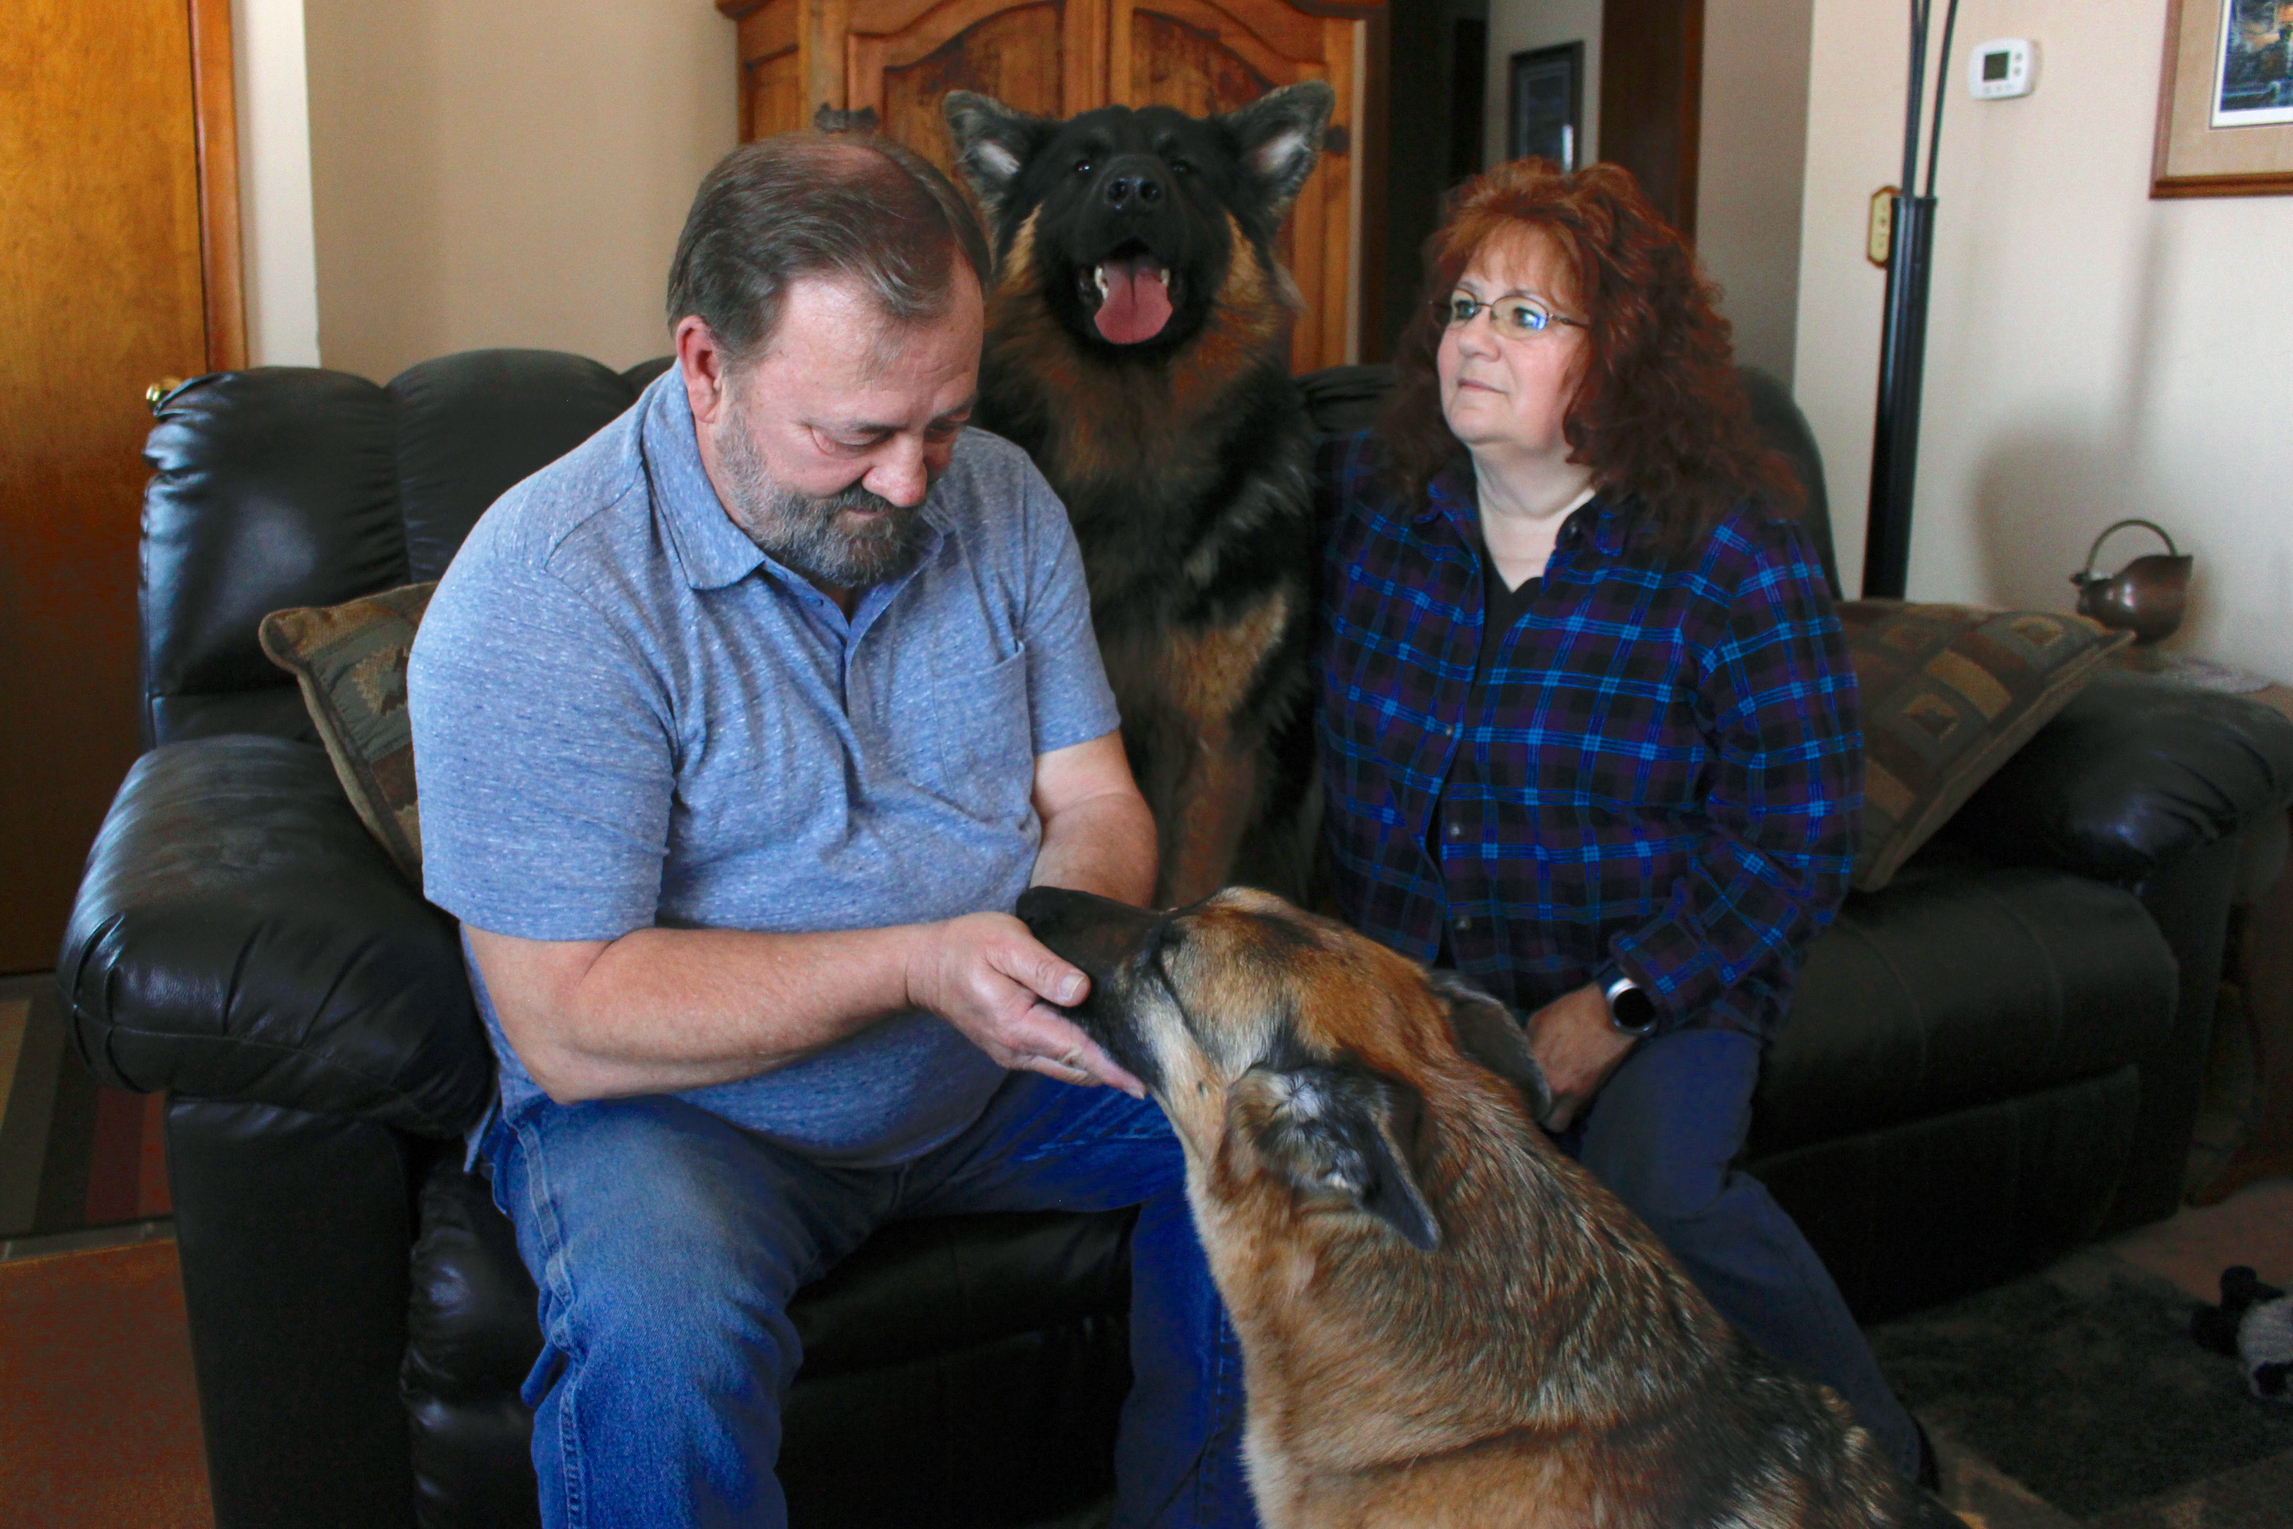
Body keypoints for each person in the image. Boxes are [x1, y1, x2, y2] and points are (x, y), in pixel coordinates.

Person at [409, 134, 1254, 1529]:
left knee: (1286, 1130)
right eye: (854, 435)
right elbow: (567, 1017)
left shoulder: (1004, 498)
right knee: (660, 1338)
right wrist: (926, 963)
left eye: (944, 420)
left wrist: (1044, 962)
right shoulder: (546, 592)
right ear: (703, 366)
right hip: (682, 1119)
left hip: (991, 1071)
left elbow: (1094, 798)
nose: (917, 480)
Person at [1314, 158, 1925, 1483]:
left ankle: (1883, 1462)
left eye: (1526, 318)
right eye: (1464, 306)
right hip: (1422, 977)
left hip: (1666, 967)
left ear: (1625, 360)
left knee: (1661, 1191)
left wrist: (1616, 1000)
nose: (1474, 339)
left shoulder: (1728, 551)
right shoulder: (1380, 515)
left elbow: (1797, 830)